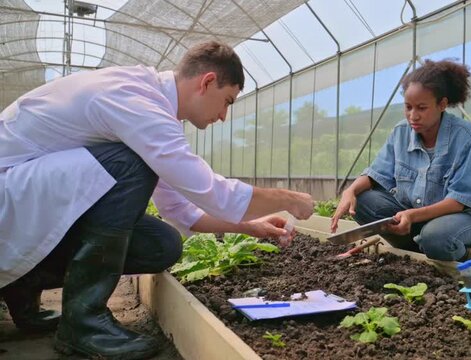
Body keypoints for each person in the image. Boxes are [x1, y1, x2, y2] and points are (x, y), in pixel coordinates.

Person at [0, 40, 314, 359]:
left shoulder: (153, 111)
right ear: (207, 82)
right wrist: (286, 199)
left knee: (162, 244)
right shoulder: (137, 98)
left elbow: (180, 211)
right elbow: (211, 191)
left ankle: (25, 280)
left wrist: (250, 227)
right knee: (130, 164)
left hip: (28, 200)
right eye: (227, 101)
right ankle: (84, 324)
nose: (223, 116)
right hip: (9, 194)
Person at [330, 59, 471, 262]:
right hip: (414, 217)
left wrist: (412, 216)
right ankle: (417, 256)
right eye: (408, 107)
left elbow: (460, 201)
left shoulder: (466, 138)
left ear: (442, 104)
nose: (413, 116)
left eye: (421, 108)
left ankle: (463, 261)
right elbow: (376, 174)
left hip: (462, 219)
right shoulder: (401, 132)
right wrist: (350, 191)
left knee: (436, 236)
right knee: (362, 201)